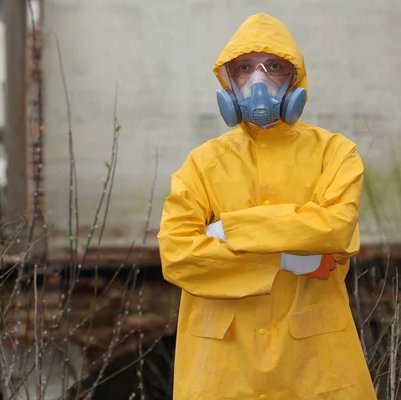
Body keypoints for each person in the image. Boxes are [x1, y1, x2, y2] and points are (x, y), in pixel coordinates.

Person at [157, 12, 377, 400]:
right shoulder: (200, 166)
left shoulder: (336, 154)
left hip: (315, 369)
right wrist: (287, 260)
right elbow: (177, 255)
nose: (258, 80)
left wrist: (227, 231)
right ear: (228, 80)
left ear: (295, 78)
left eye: (274, 66)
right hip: (223, 375)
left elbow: (334, 228)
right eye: (244, 67)